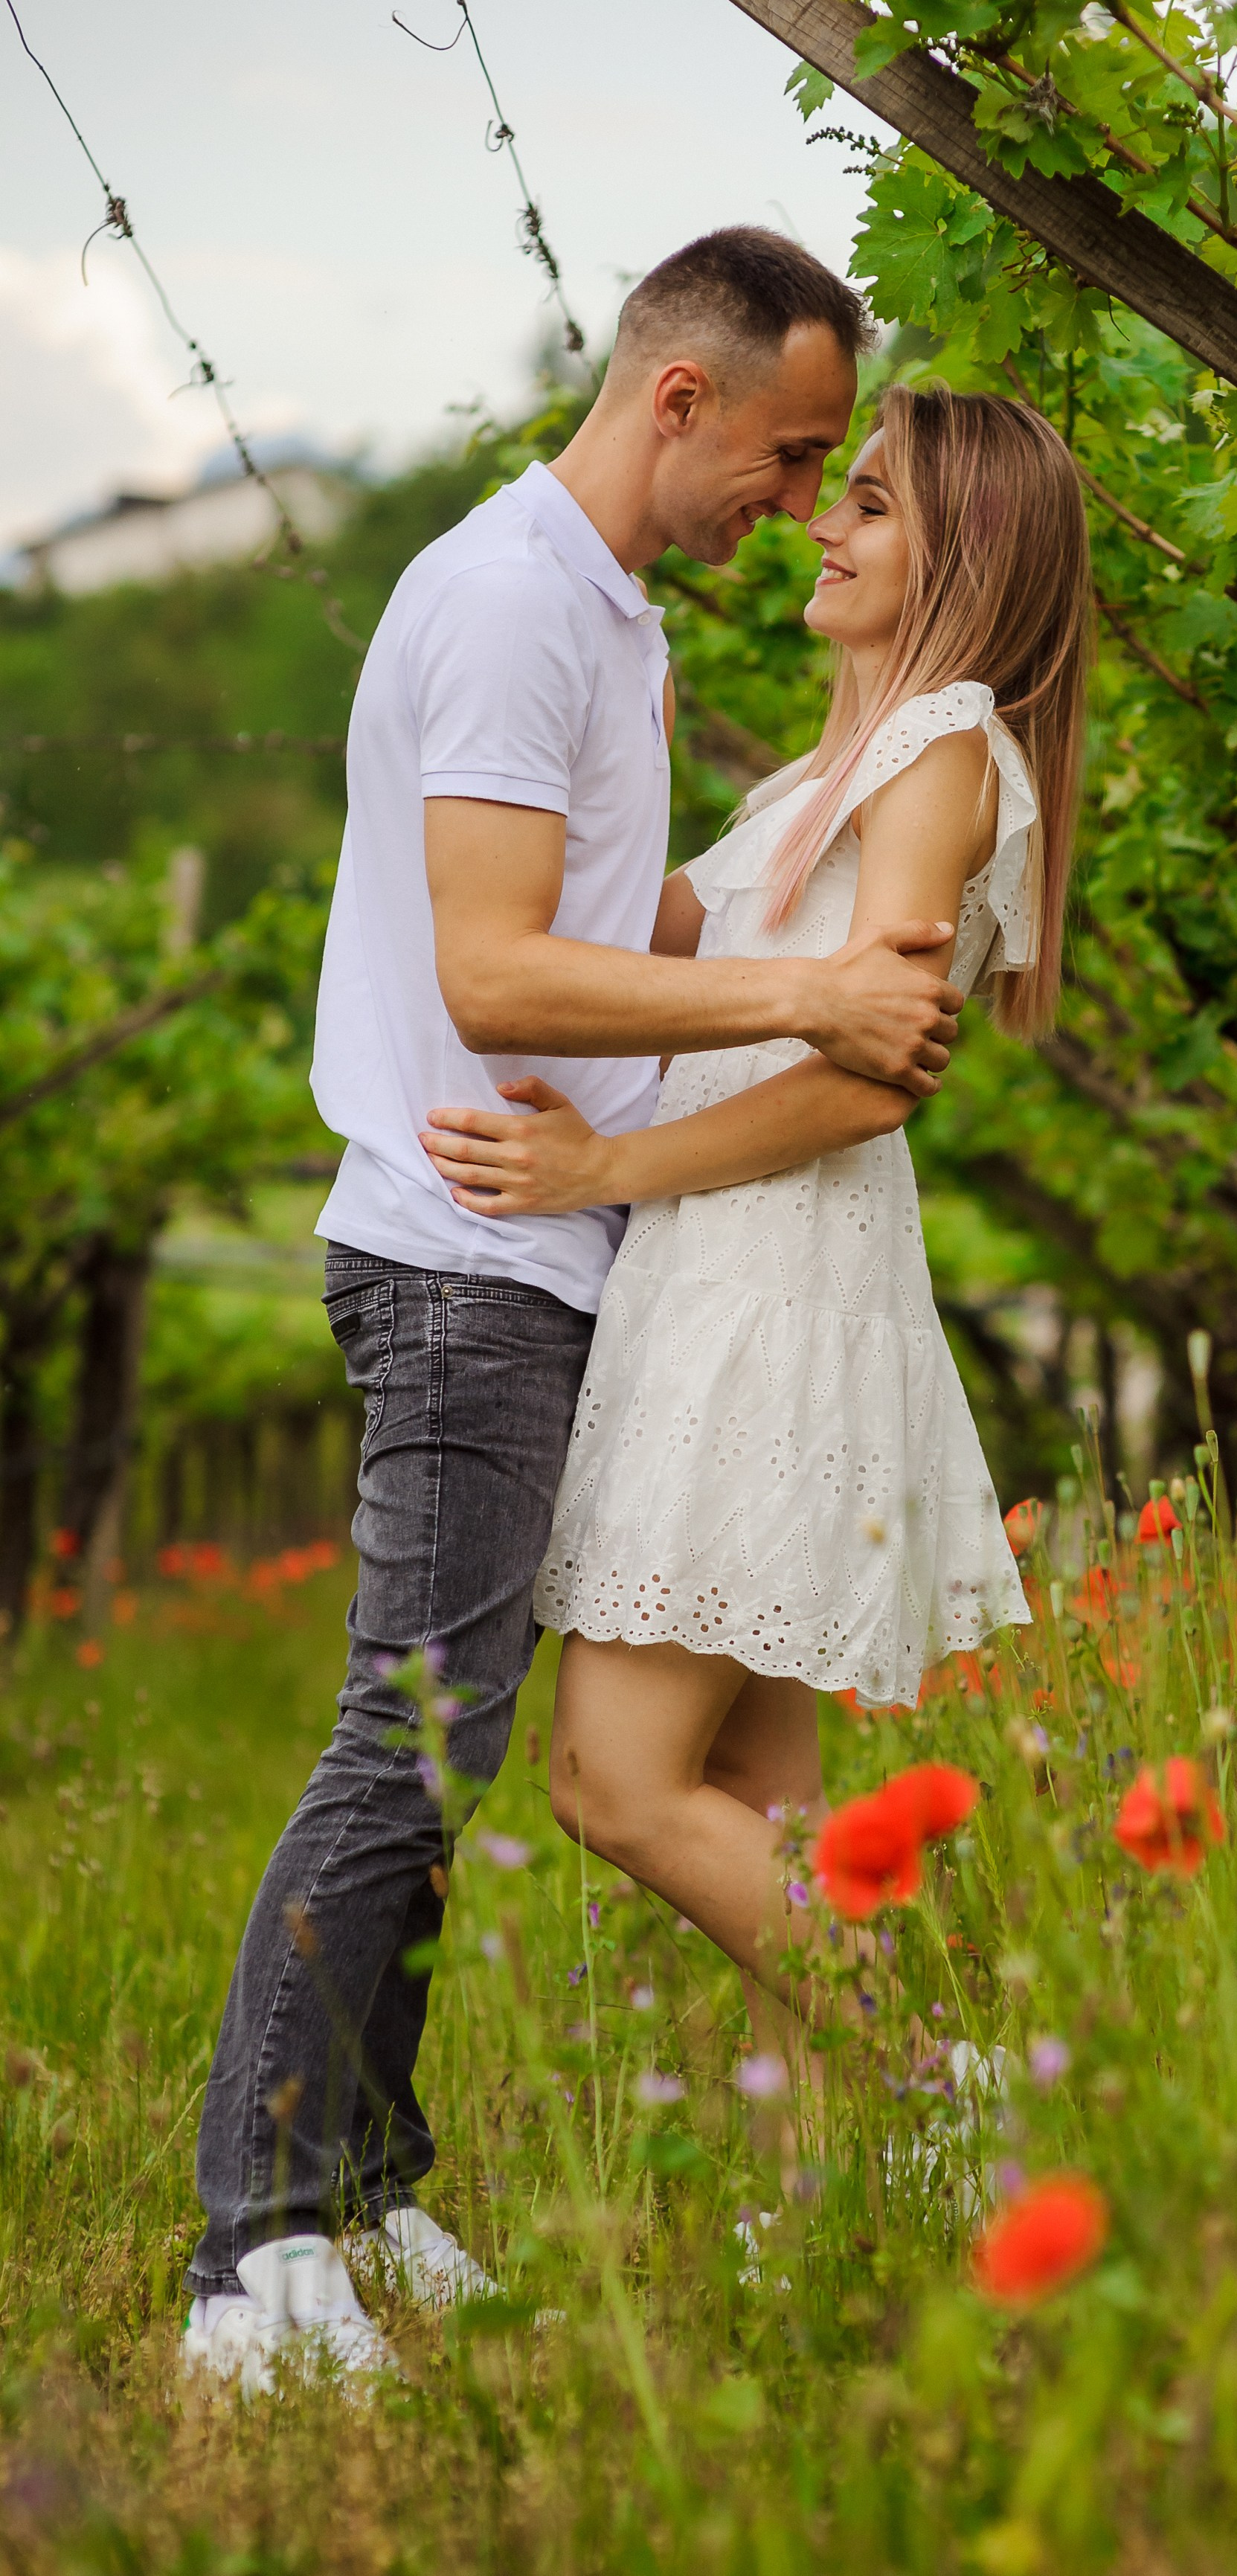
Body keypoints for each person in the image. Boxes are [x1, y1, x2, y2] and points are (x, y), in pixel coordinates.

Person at [180, 228, 966, 2391]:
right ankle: (253, 2254)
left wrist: (764, 903)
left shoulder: (600, 621)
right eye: (791, 453)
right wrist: (802, 982)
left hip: (532, 1253)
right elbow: (498, 971)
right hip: (465, 1252)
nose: (793, 506)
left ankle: (367, 2188)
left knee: (447, 1747)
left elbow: (606, 918)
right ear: (679, 396)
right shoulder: (523, 601)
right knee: (403, 1741)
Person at [417, 381, 1090, 2075]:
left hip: (773, 1287)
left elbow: (875, 1080)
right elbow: (629, 944)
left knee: (616, 1784)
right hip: (731, 1279)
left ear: (967, 549)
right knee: (762, 1808)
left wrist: (599, 1175)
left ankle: (964, 2076)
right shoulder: (830, 769)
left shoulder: (942, 747)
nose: (822, 520)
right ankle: (843, 2203)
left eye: (867, 500)